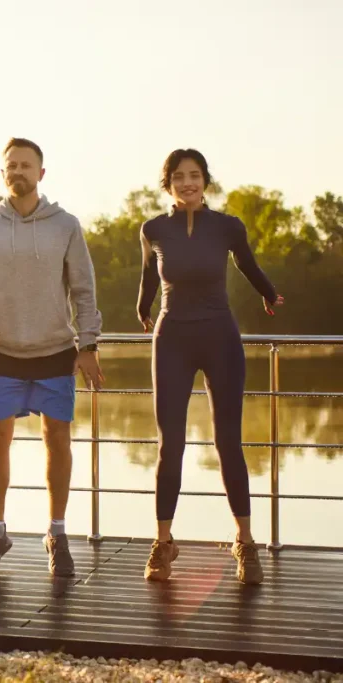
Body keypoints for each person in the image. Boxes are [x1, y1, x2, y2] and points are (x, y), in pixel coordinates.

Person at [0, 138, 104, 578]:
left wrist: (89, 344)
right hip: (2, 352)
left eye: (26, 165)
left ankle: (57, 533)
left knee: (57, 440)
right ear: (3, 174)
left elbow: (84, 289)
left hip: (56, 351)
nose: (18, 171)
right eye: (11, 166)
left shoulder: (65, 225)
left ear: (41, 173)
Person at [137, 149, 283, 585]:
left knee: (228, 444)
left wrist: (268, 292)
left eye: (195, 175)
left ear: (205, 180)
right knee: (171, 446)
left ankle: (245, 542)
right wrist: (141, 306)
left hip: (220, 338)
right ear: (168, 184)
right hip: (172, 339)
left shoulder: (227, 227)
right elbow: (148, 273)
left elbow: (247, 263)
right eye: (179, 177)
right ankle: (163, 545)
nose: (187, 183)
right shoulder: (153, 229)